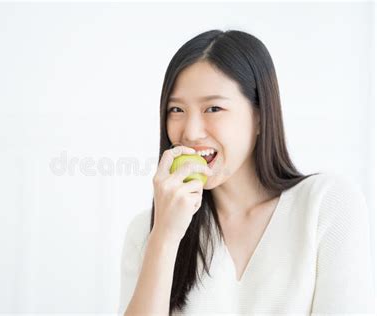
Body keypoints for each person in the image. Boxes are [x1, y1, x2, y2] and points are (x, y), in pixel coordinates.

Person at [118, 29, 374, 315]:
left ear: (260, 115)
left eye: (213, 108)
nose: (189, 132)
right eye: (176, 109)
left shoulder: (326, 206)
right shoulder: (148, 231)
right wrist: (164, 237)